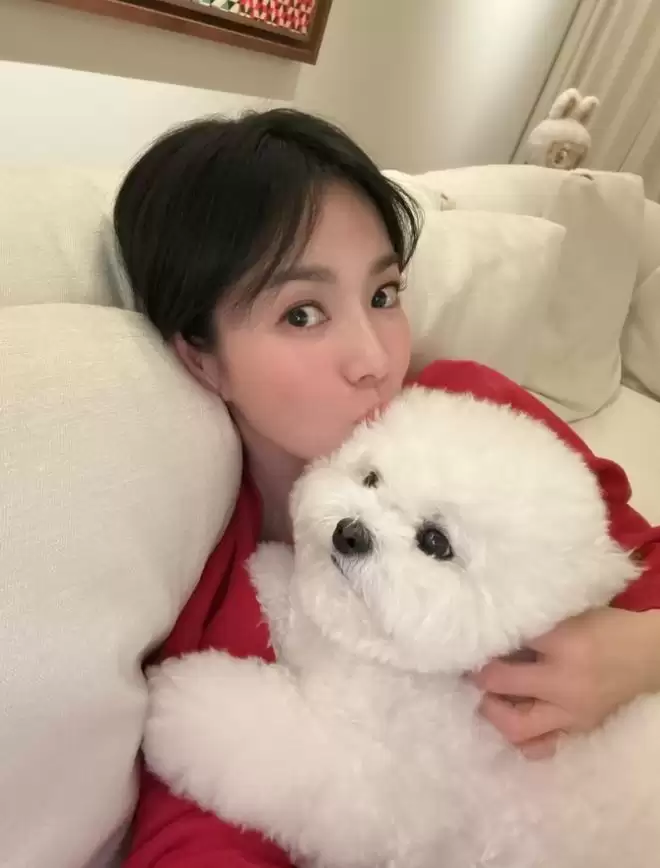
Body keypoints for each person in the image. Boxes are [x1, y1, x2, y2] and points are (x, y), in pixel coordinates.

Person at [113, 108, 660, 868]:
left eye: (383, 294)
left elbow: (639, 555)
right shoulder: (213, 568)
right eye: (303, 313)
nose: (375, 358)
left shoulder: (470, 408)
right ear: (201, 358)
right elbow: (196, 824)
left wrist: (644, 649)